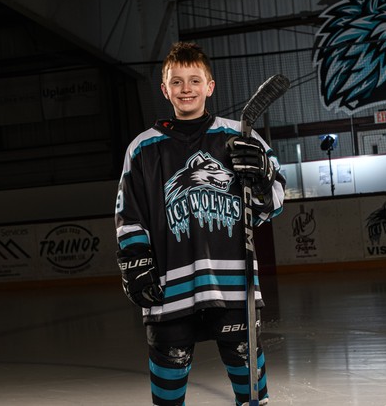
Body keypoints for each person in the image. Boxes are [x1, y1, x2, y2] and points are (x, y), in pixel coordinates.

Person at [115, 41, 285, 406]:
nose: (186, 88)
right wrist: (135, 260)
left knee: (252, 395)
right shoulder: (142, 148)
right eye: (176, 82)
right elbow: (129, 215)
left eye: (194, 80)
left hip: (233, 288)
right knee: (168, 396)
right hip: (170, 289)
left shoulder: (240, 136)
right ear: (165, 90)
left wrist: (260, 179)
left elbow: (271, 206)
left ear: (210, 86)